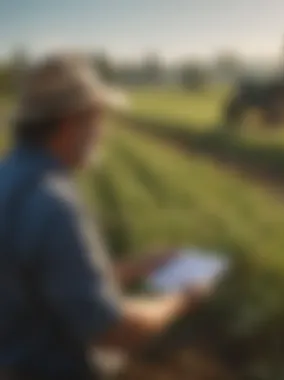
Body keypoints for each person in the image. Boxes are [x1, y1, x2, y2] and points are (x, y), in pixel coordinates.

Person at [0, 53, 206, 380]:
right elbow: (115, 332)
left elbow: (46, 283)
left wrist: (138, 267)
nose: (102, 133)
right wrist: (180, 299)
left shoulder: (7, 177)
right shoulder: (54, 203)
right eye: (98, 119)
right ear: (72, 122)